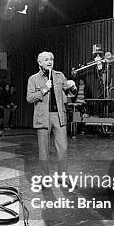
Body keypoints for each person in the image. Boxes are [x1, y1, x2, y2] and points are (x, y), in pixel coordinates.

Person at [26, 51, 77, 184]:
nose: (50, 62)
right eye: (46, 59)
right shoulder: (33, 79)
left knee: (63, 148)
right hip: (43, 118)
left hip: (59, 116)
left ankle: (63, 177)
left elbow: (70, 92)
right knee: (44, 150)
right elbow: (29, 98)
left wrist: (73, 86)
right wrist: (43, 89)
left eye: (51, 59)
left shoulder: (60, 76)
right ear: (40, 63)